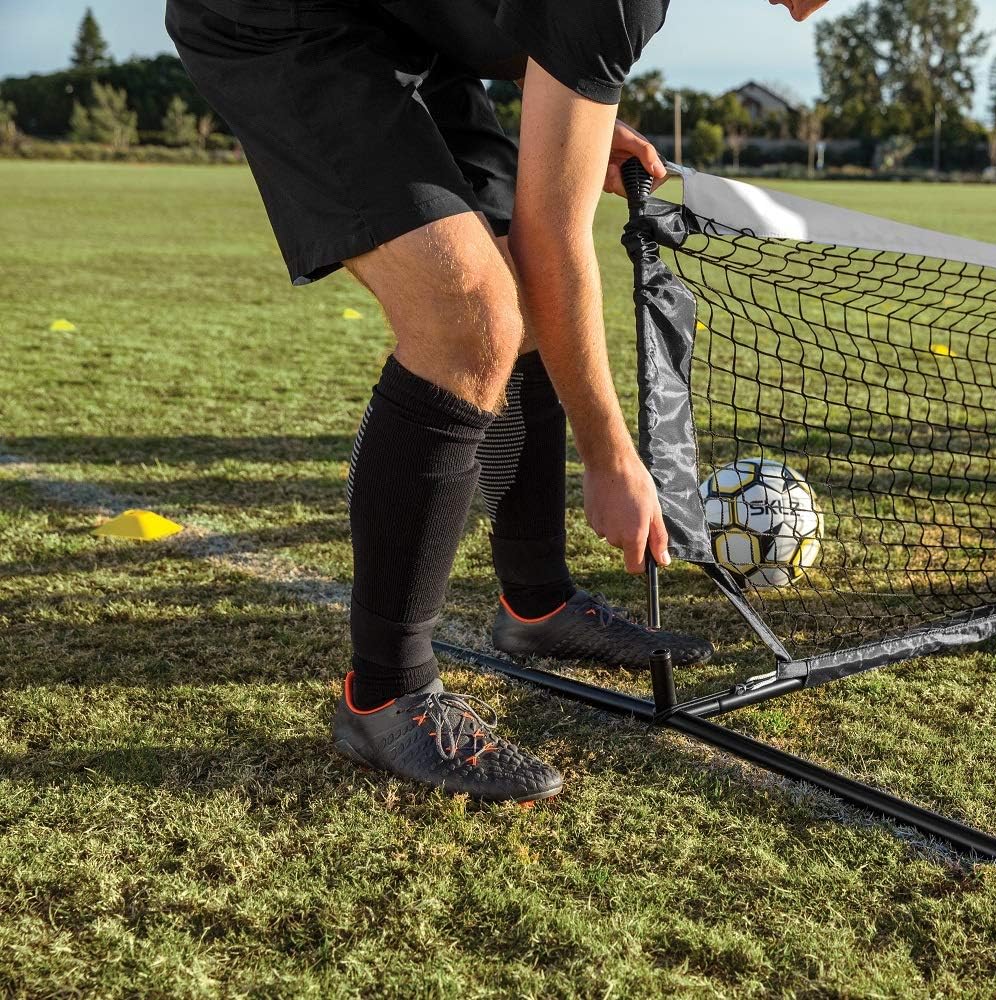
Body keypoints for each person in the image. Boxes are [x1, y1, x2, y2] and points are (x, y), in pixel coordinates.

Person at [166, 0, 830, 804]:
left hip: (413, 36)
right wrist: (609, 455)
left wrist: (574, 128)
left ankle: (536, 602)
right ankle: (385, 694)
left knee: (513, 276)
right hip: (283, 19)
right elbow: (559, 238)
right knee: (469, 318)